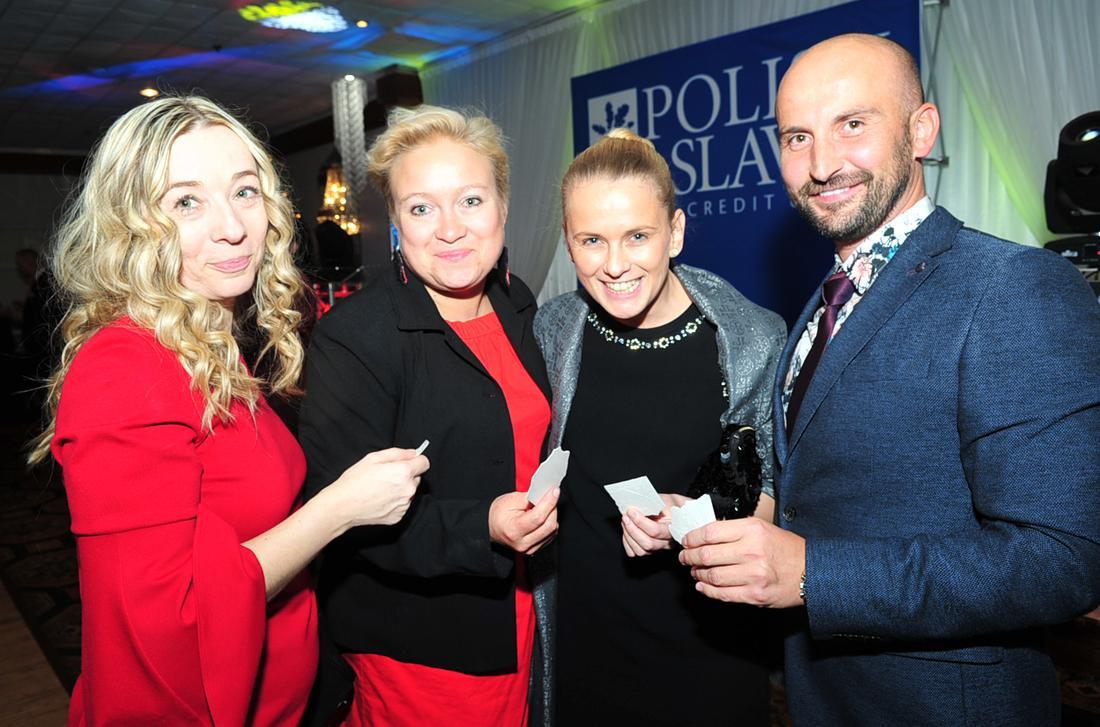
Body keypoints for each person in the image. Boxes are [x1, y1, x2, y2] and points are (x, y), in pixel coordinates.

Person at [678, 33, 1100, 725]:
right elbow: (830, 492)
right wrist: (737, 523)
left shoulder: (1013, 287)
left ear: (921, 130)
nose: (821, 164)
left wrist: (813, 574)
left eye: (852, 123)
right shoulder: (823, 301)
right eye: (797, 137)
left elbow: (1063, 560)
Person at [27, 95, 428, 727]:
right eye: (186, 202)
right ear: (130, 223)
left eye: (244, 191)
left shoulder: (207, 346)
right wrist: (340, 509)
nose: (233, 227)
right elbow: (173, 620)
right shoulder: (125, 368)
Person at [298, 105, 559, 727]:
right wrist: (483, 526)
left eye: (470, 200)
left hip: (529, 610)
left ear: (502, 206)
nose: (450, 230)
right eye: (421, 208)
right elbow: (343, 519)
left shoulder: (516, 302)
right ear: (395, 222)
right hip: (427, 643)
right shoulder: (355, 339)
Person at [534, 128, 786, 726]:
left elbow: (774, 492)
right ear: (568, 241)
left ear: (674, 232)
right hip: (585, 647)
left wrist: (695, 517)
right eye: (592, 240)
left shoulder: (751, 337)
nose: (615, 264)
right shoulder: (552, 331)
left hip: (710, 650)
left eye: (637, 236)